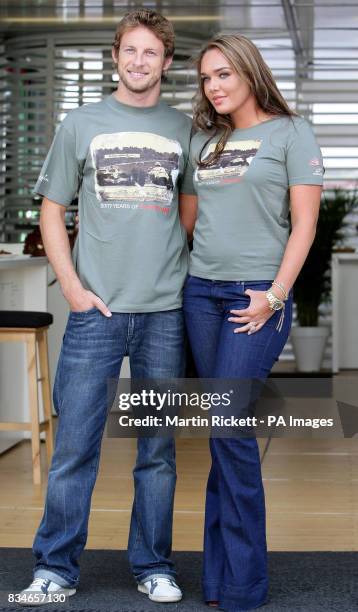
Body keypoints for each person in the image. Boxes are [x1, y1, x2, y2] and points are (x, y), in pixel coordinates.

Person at [20, 9, 196, 606]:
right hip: (95, 311)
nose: (139, 61)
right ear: (116, 55)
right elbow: (51, 208)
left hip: (165, 311)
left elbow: (189, 211)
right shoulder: (81, 124)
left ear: (166, 62)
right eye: (130, 50)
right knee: (76, 446)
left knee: (158, 451)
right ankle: (55, 569)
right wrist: (71, 286)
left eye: (152, 52)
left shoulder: (185, 128)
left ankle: (153, 565)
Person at [180, 34, 324, 611]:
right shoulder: (204, 140)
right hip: (200, 295)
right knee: (222, 433)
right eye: (206, 78)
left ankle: (243, 584)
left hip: (256, 296)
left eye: (223, 75)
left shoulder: (292, 133)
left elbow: (306, 225)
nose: (214, 87)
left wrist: (275, 294)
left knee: (229, 427)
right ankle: (220, 580)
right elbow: (189, 225)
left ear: (249, 71)